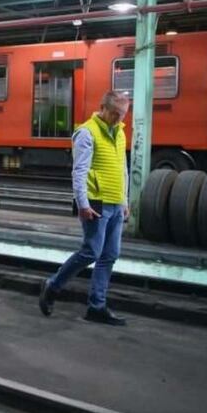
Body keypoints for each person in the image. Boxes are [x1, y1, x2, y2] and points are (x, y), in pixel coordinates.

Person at [39, 91, 131, 326]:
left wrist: (124, 200)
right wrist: (82, 204)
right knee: (91, 251)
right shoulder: (86, 132)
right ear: (103, 108)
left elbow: (122, 168)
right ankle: (53, 285)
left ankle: (96, 307)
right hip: (96, 201)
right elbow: (79, 171)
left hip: (115, 202)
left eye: (122, 115)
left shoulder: (119, 133)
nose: (119, 119)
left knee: (110, 255)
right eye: (115, 114)